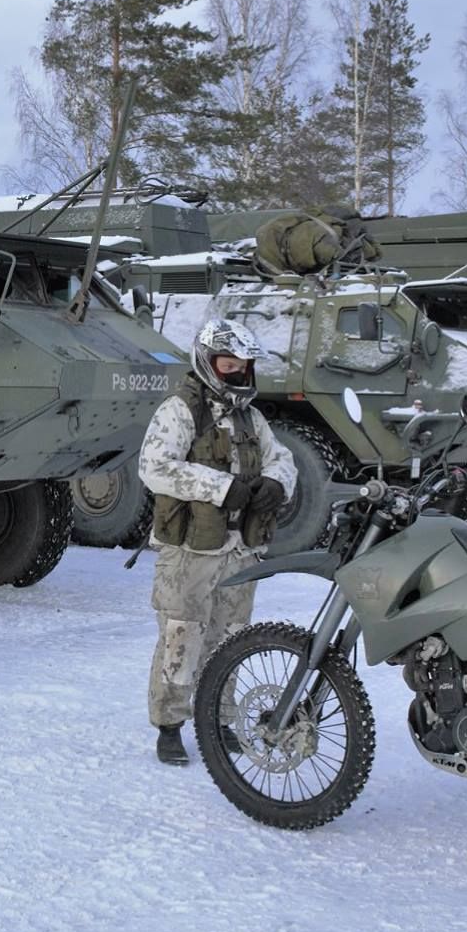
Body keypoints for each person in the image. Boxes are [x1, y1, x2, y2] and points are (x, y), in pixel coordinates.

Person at [136, 319, 297, 766]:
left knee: (230, 637)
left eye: (243, 366)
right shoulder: (180, 409)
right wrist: (219, 487)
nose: (237, 373)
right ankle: (170, 726)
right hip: (189, 550)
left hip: (239, 551)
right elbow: (154, 467)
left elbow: (282, 459)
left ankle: (219, 719)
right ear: (208, 363)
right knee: (181, 635)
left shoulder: (251, 415)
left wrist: (276, 484)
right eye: (228, 365)